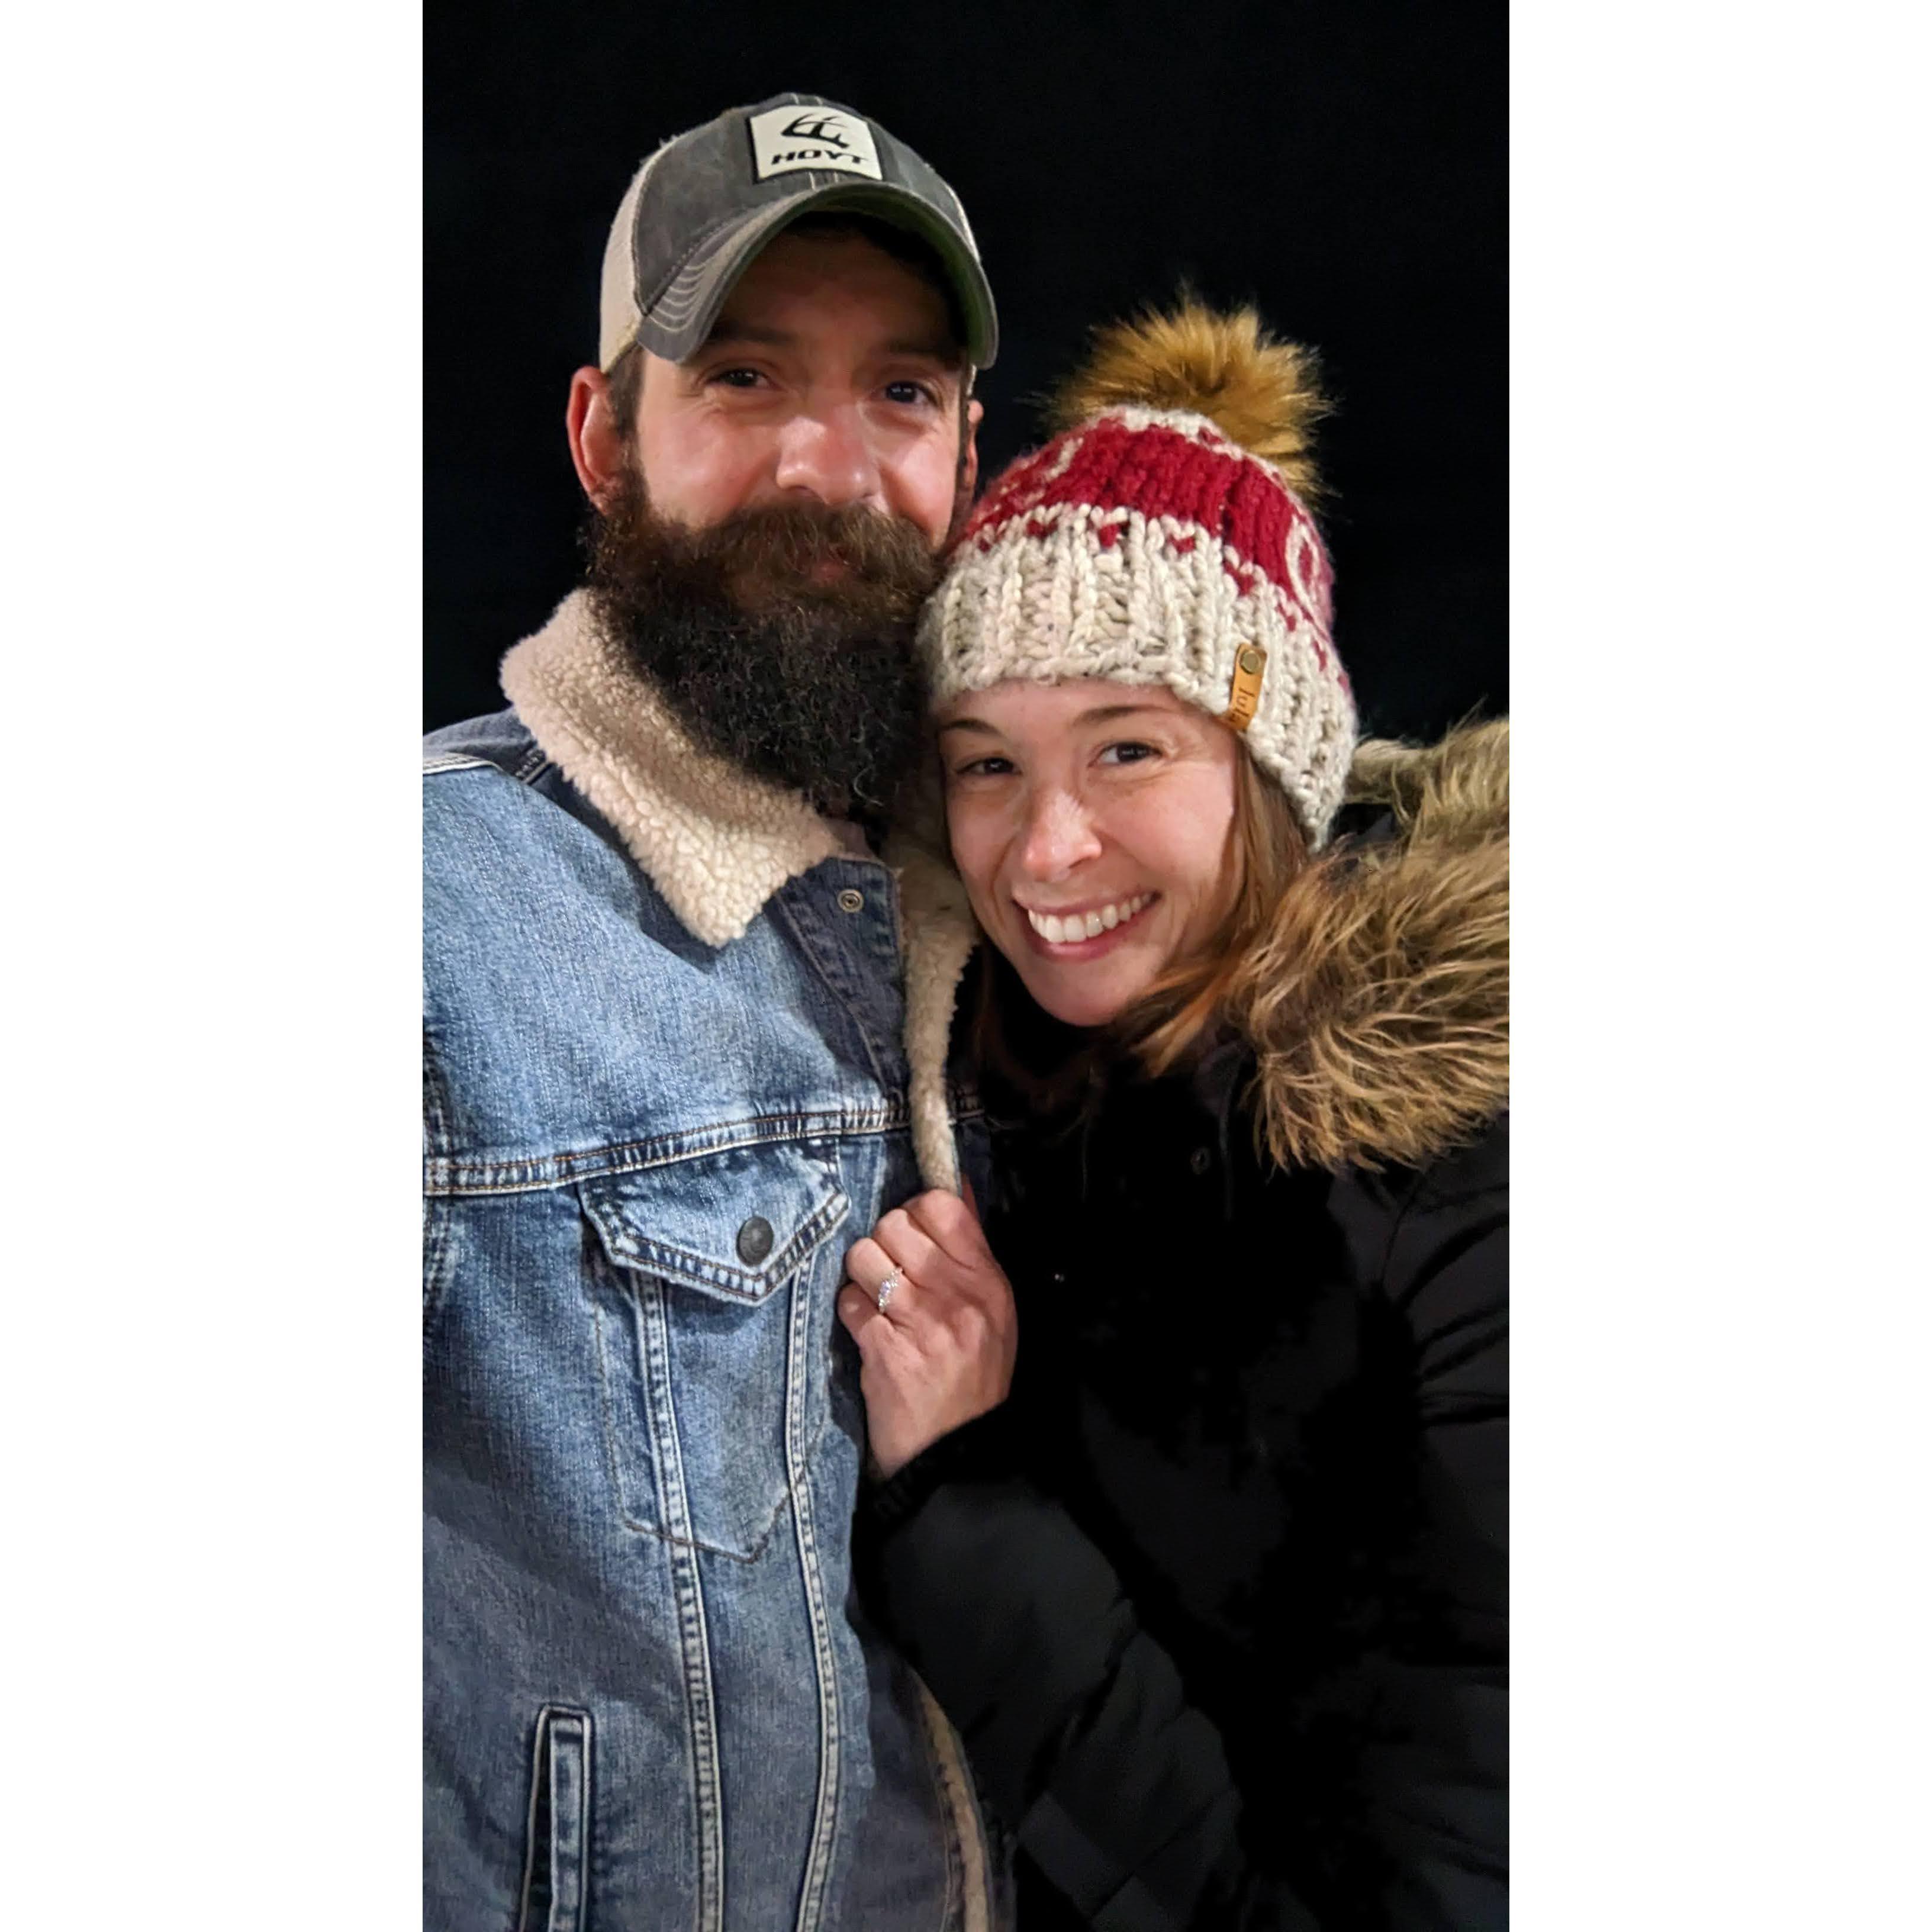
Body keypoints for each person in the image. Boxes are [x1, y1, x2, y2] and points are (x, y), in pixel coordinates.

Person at [834, 303, 1509, 1928]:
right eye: (986, 765)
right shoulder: (1009, 1094)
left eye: (1126, 748)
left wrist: (966, 1510)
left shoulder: (1462, 1196)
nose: (1045, 850)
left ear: (1271, 768)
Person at [423, 95, 1012, 1930]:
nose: (832, 465)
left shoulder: (1041, 913)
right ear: (604, 439)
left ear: (971, 452)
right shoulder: (425, 908)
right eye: (747, 377)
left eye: (902, 392)